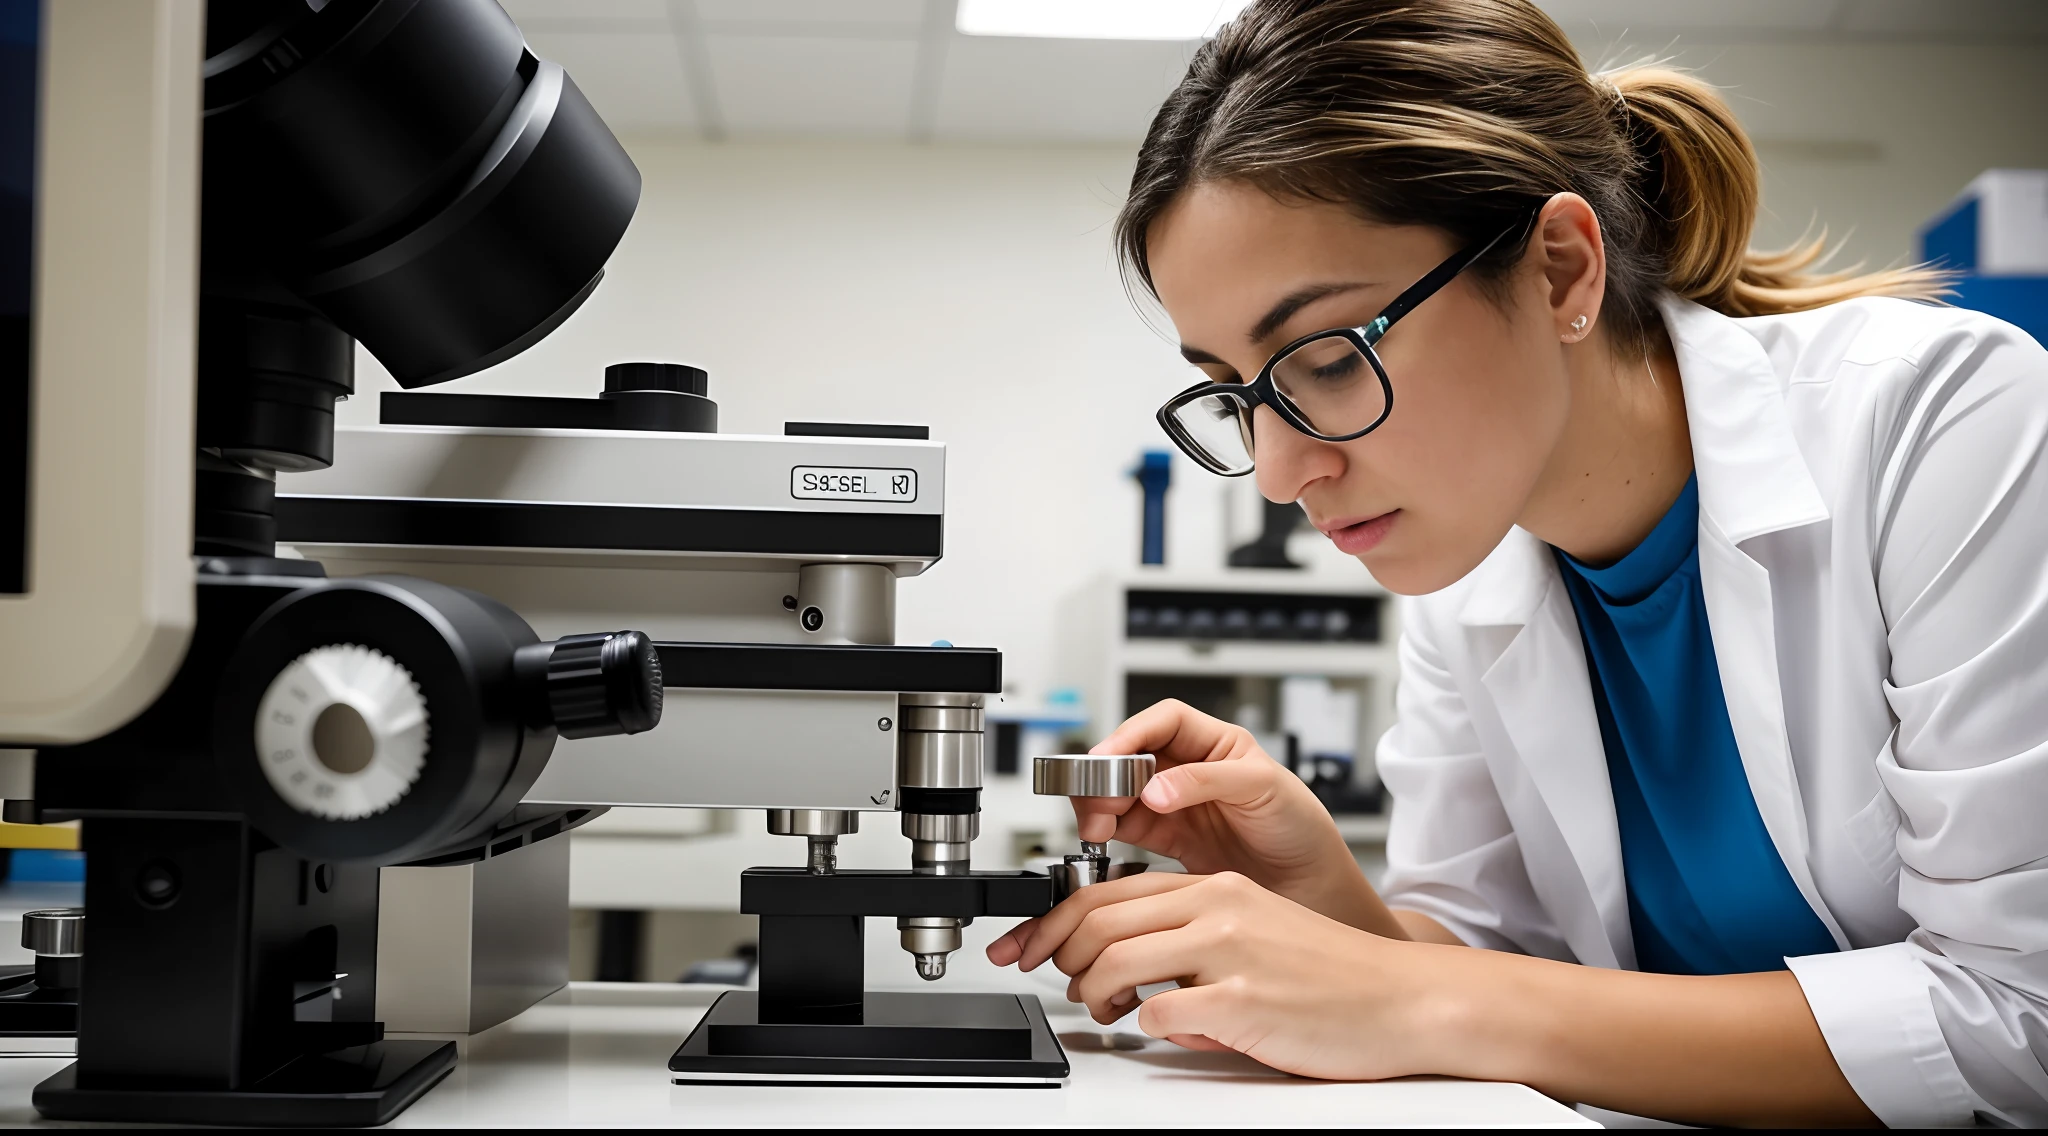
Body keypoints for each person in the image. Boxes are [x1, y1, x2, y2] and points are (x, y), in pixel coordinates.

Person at [984, 0, 2048, 1126]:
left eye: (1329, 359)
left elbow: (2014, 1013)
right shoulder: (1473, 559)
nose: (1281, 474)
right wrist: (1316, 892)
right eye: (1239, 393)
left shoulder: (1946, 421)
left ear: (1557, 269)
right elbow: (1484, 963)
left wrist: (1412, 991)